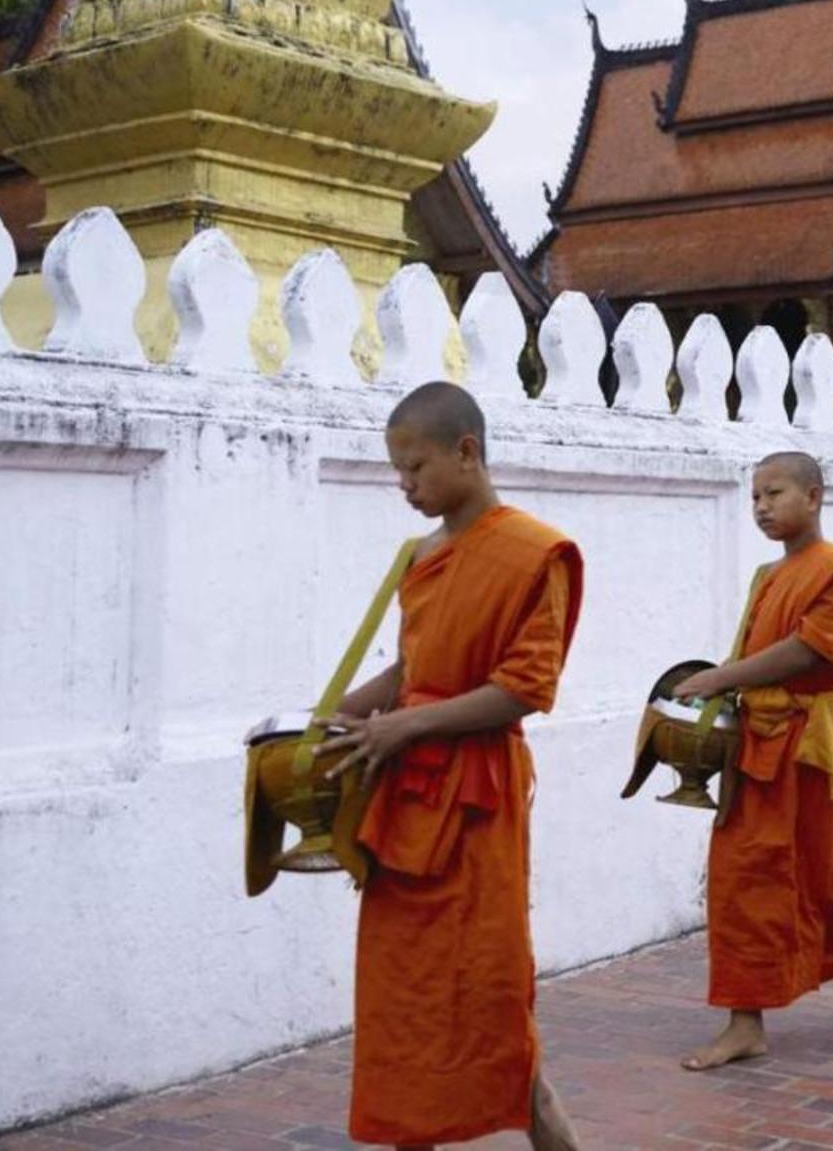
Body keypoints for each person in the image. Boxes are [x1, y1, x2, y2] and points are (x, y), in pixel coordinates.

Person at [314, 381, 582, 1151]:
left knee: (487, 989)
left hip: (475, 799)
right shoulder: (423, 555)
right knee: (403, 992)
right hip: (403, 805)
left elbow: (525, 688)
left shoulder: (537, 552)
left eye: (415, 469)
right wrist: (337, 718)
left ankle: (544, 1124)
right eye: (397, 472)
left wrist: (404, 726)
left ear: (467, 452)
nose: (405, 486)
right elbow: (410, 666)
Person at [671, 452, 833, 1070]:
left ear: (812, 497)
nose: (761, 506)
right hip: (757, 745)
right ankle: (744, 1020)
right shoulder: (767, 575)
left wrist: (720, 676)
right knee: (740, 878)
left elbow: (813, 650)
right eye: (754, 496)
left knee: (831, 874)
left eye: (774, 493)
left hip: (813, 748)